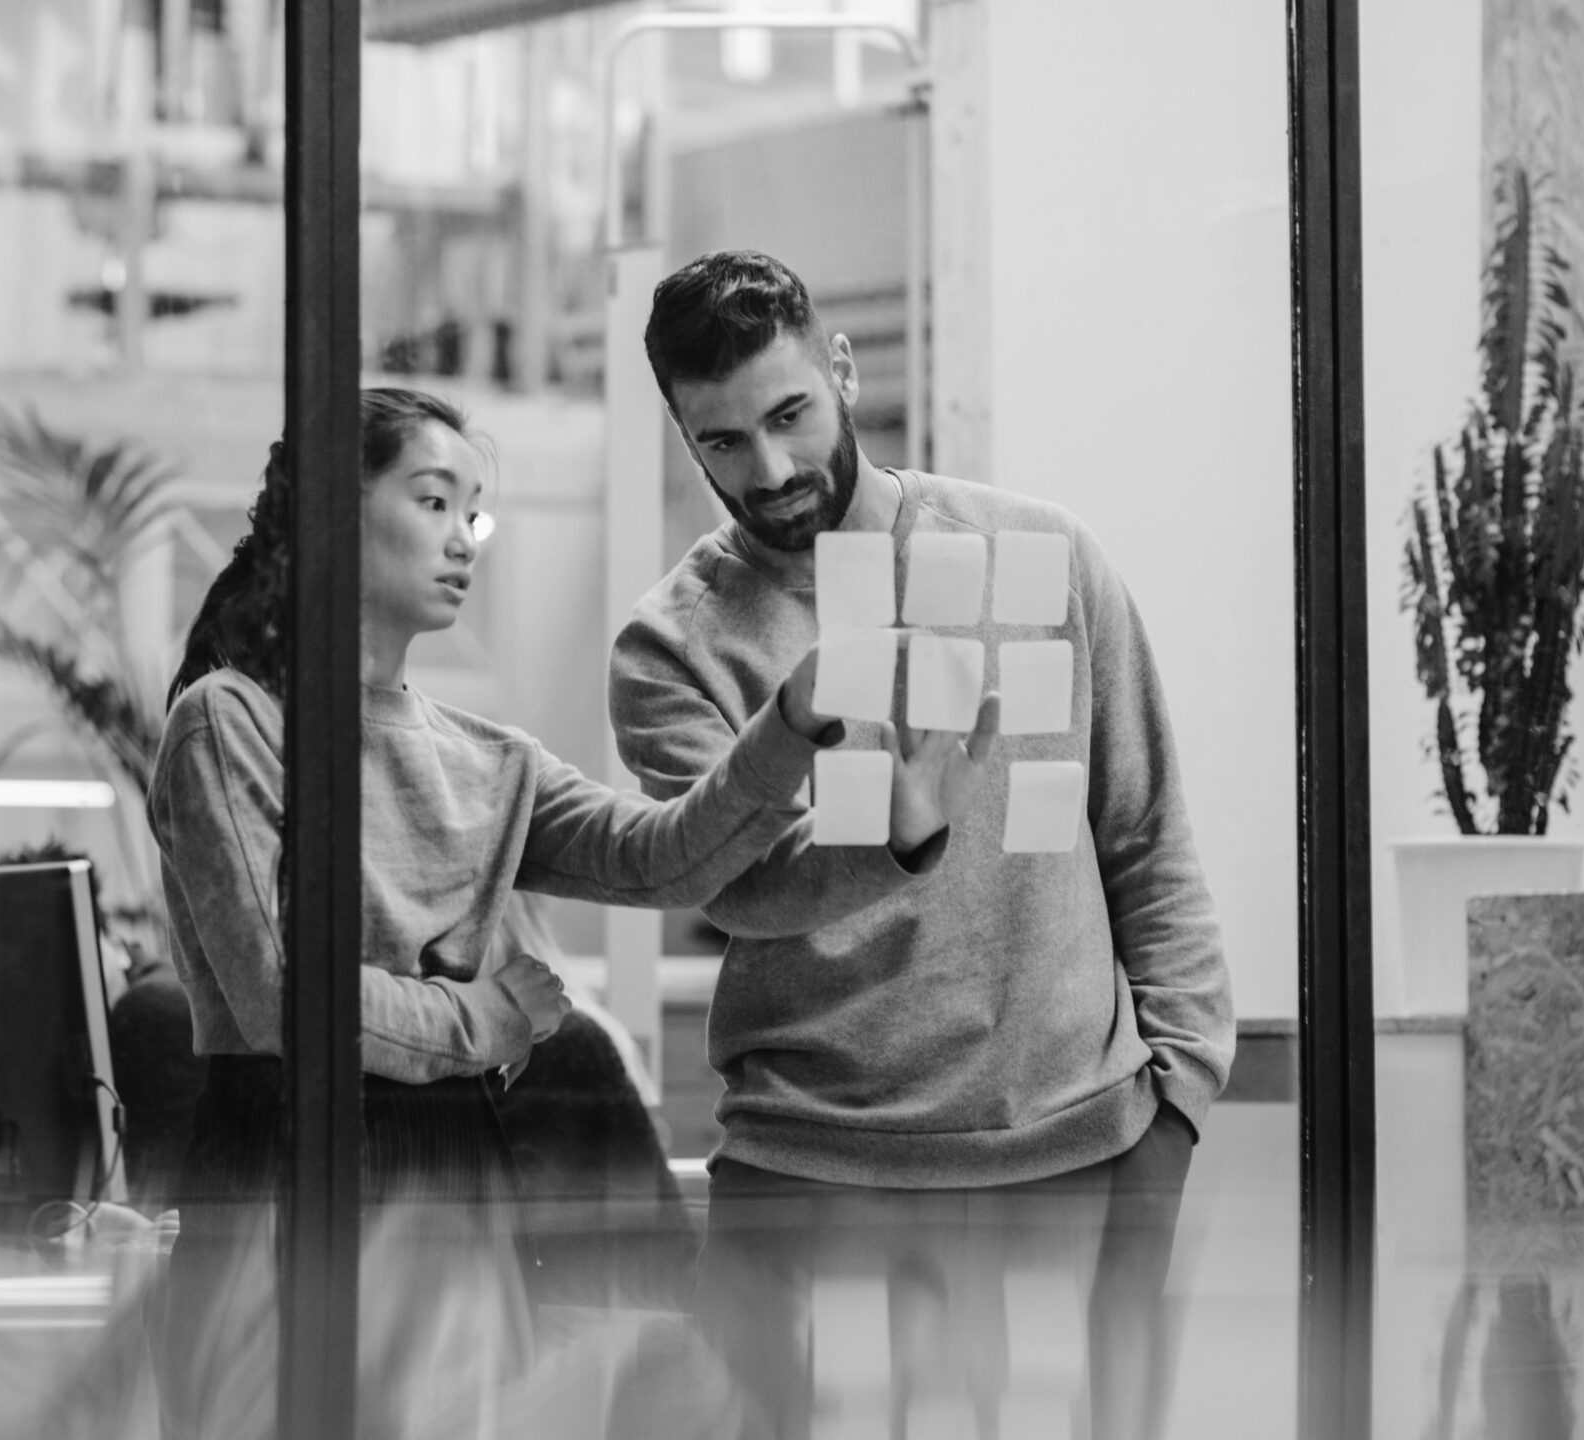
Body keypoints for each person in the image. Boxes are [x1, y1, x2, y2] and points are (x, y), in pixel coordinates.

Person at [144, 386, 999, 1440]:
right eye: (432, 501)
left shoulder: (486, 757)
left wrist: (799, 730)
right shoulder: (229, 720)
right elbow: (287, 1003)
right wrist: (489, 1021)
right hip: (285, 1163)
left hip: (453, 1170)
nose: (463, 538)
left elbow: (667, 861)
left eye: (474, 511)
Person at [608, 251, 1236, 1438]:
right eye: (723, 443)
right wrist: (892, 818)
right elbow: (739, 890)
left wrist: (1175, 1116)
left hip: (1074, 1158)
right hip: (811, 1177)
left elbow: (1145, 839)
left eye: (789, 415)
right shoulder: (672, 647)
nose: (773, 469)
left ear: (841, 370)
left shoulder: (1039, 559)